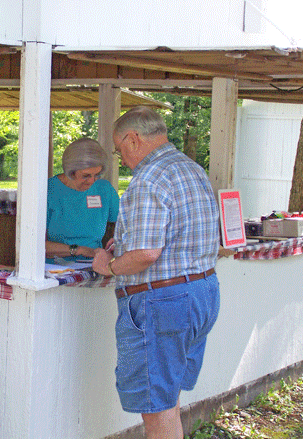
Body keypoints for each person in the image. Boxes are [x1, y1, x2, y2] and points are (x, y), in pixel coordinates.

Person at [93, 107, 220, 439]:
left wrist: (109, 266)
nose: (122, 159)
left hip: (163, 303)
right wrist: (122, 244)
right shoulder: (192, 169)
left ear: (133, 139)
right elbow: (179, 235)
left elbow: (147, 253)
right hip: (201, 292)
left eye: (121, 151)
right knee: (167, 400)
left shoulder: (149, 177)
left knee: (156, 410)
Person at [46, 138, 119, 262]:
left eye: (97, 175)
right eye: (86, 176)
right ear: (71, 172)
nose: (92, 181)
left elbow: (120, 227)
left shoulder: (104, 189)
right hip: (55, 267)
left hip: (95, 264)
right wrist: (79, 250)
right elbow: (34, 244)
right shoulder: (48, 190)